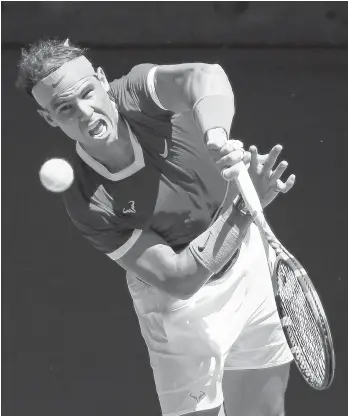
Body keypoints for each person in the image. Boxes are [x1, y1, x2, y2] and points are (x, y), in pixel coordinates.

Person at [16, 38, 296, 416]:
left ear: (101, 79)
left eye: (86, 93)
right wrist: (246, 206)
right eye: (64, 108)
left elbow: (205, 76)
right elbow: (180, 279)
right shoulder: (86, 199)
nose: (83, 112)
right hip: (177, 311)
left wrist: (214, 133)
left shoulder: (136, 94)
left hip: (246, 265)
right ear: (50, 118)